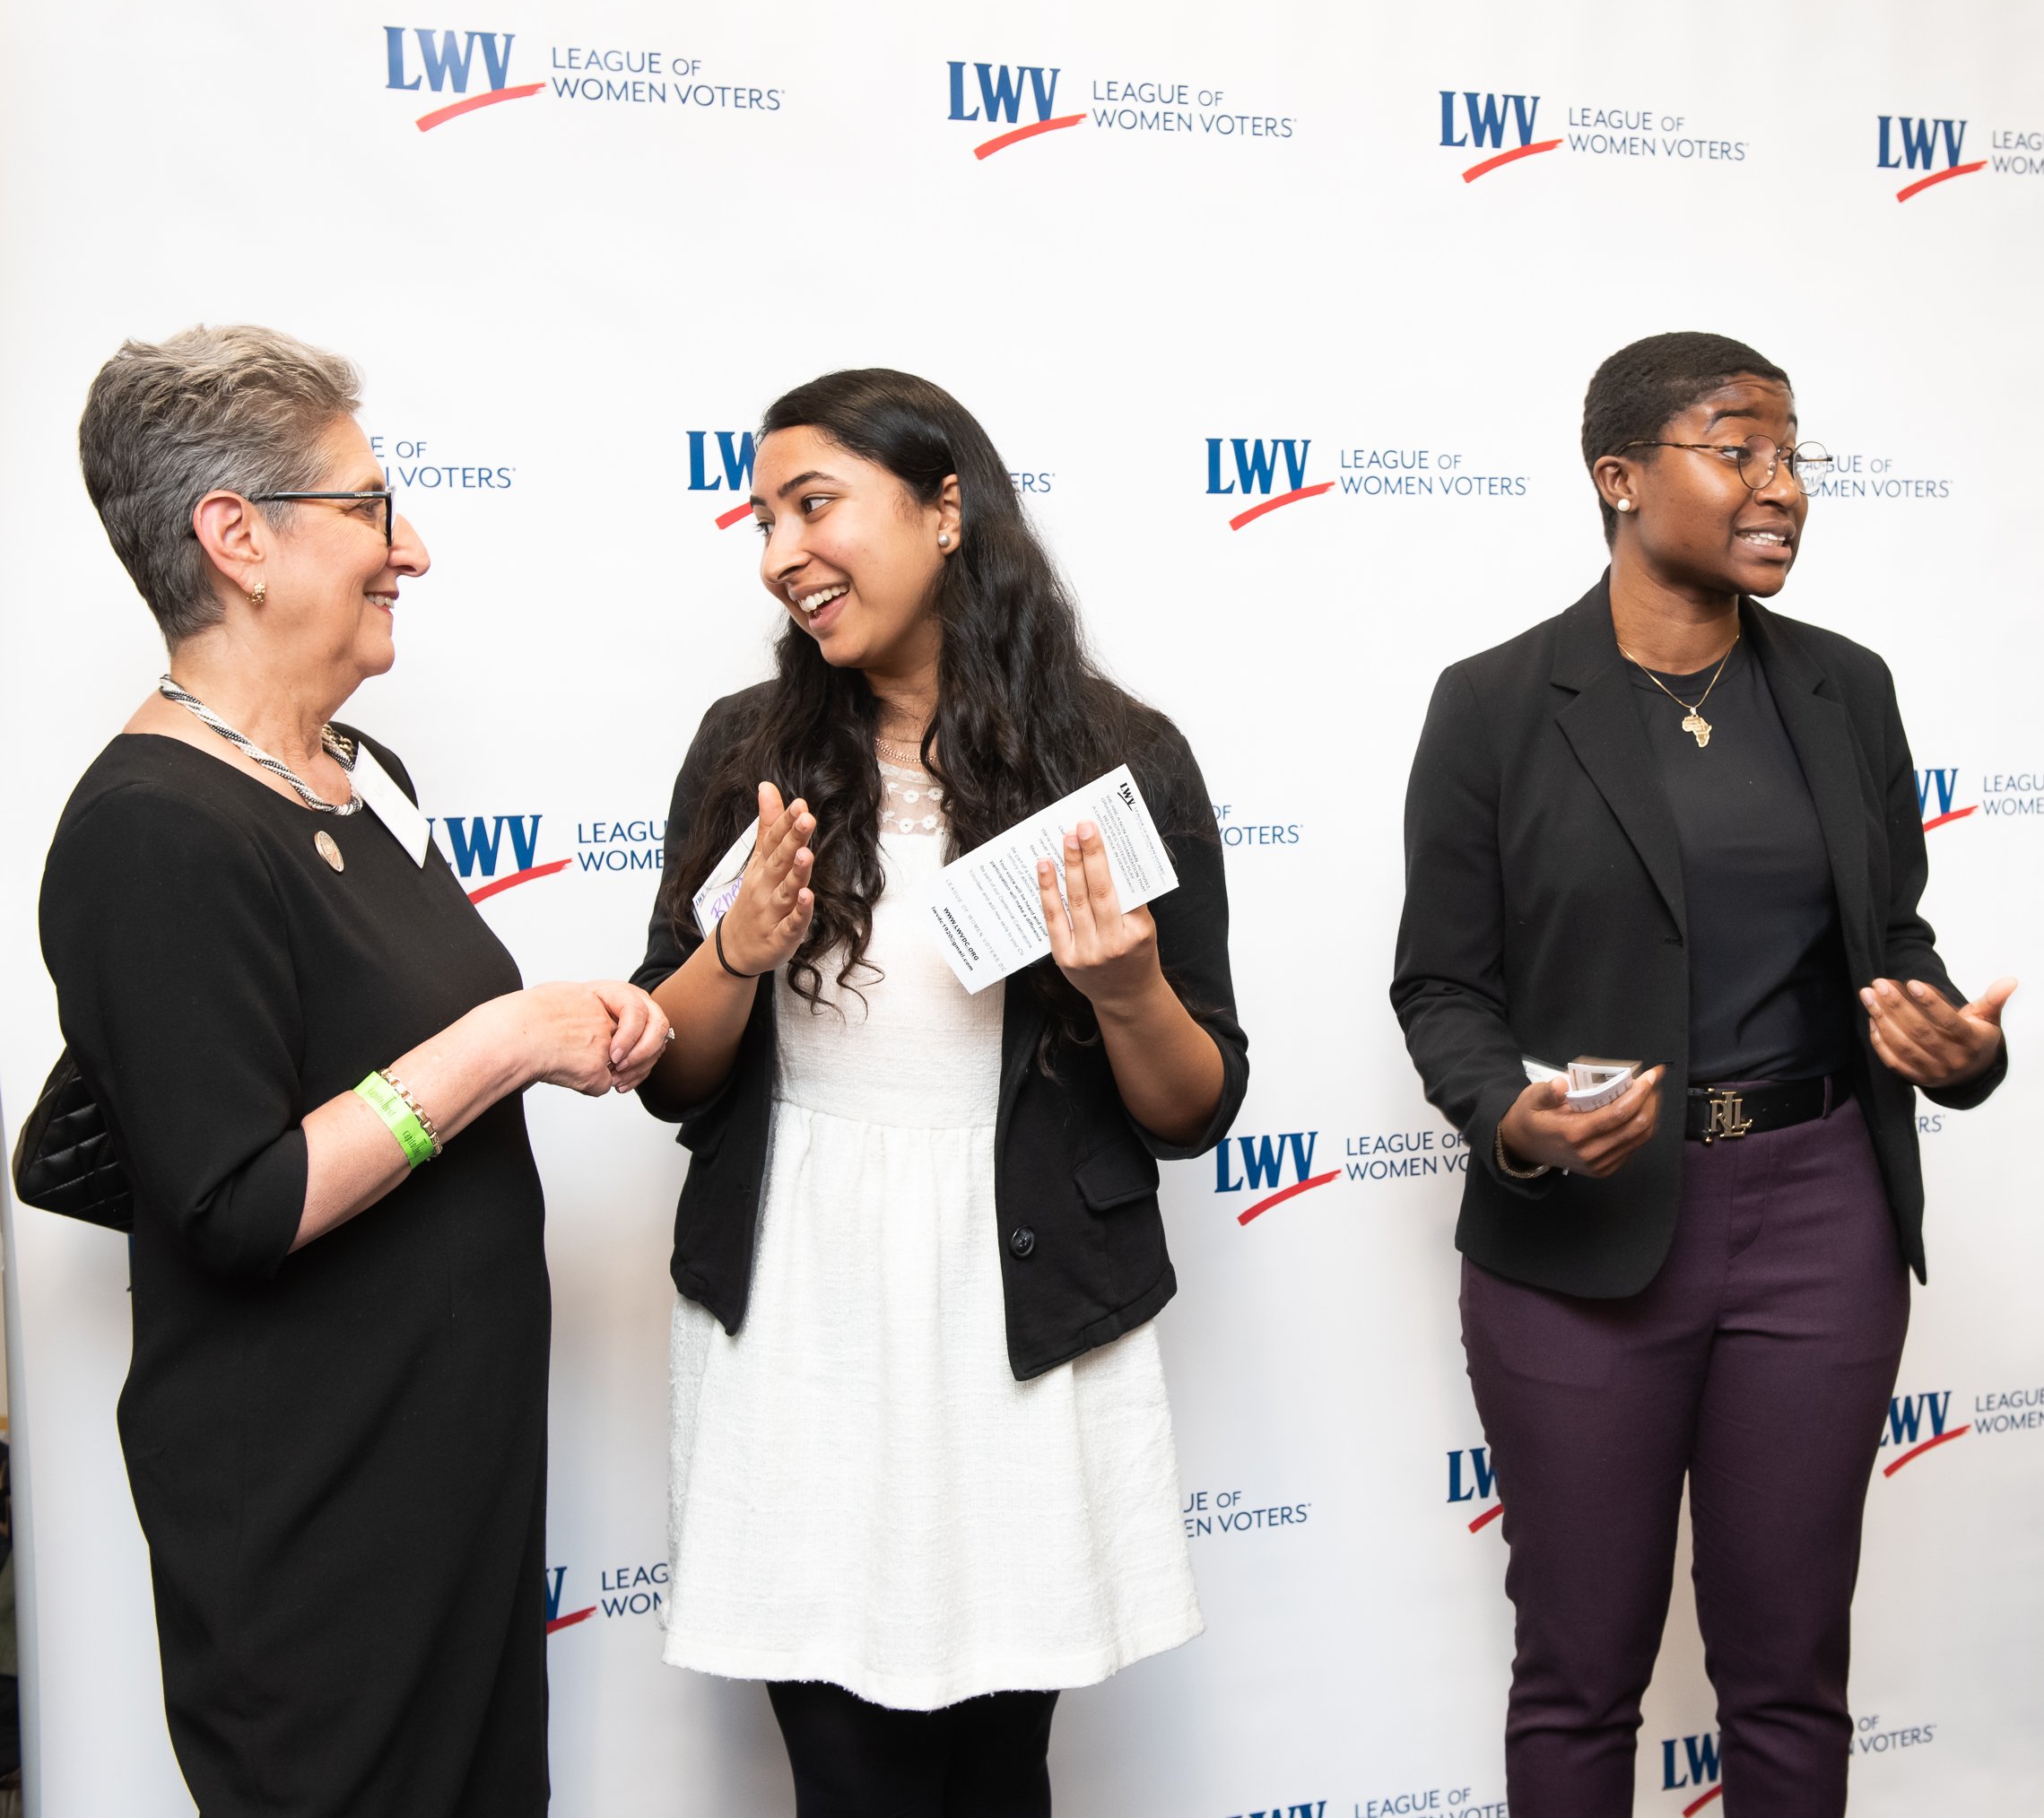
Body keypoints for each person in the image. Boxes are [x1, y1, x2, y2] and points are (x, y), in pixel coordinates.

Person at [38, 326, 672, 1816]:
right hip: (317, 1527)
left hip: (443, 1486)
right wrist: (509, 1039)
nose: (415, 550)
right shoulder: (153, 828)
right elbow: (238, 1202)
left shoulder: (344, 773)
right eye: (373, 509)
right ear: (237, 537)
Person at [1391, 331, 2014, 1814]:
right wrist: (1511, 1119)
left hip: (1818, 1212)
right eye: (1738, 449)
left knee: (1791, 1667)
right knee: (1580, 1671)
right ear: (1620, 477)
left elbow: (1896, 934)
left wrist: (1955, 1045)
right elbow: (1443, 985)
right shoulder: (1492, 704)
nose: (1780, 487)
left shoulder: (1845, 691)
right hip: (1581, 1232)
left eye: (1793, 456)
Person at [635, 368, 1243, 1816]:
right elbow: (670, 1065)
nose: (782, 550)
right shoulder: (748, 752)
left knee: (995, 1765)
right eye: (765, 516)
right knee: (844, 1763)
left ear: (947, 509)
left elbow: (1194, 1104)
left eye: (816, 502)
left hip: (1013, 1307)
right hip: (804, 1305)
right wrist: (738, 952)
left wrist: (1125, 990)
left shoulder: (1119, 761)